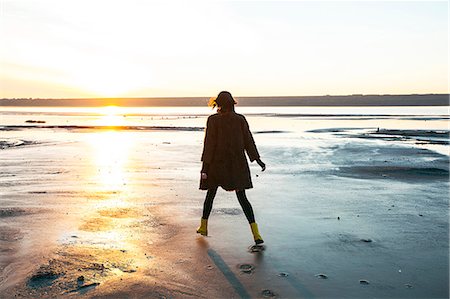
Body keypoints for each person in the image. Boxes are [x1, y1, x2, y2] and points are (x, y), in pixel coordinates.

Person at [197, 91, 266, 244]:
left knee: (210, 195)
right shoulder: (240, 119)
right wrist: (257, 160)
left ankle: (203, 226)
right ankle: (256, 233)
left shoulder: (213, 120)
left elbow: (209, 145)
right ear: (232, 104)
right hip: (237, 165)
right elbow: (249, 141)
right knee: (243, 198)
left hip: (217, 165)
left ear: (219, 104)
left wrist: (205, 168)